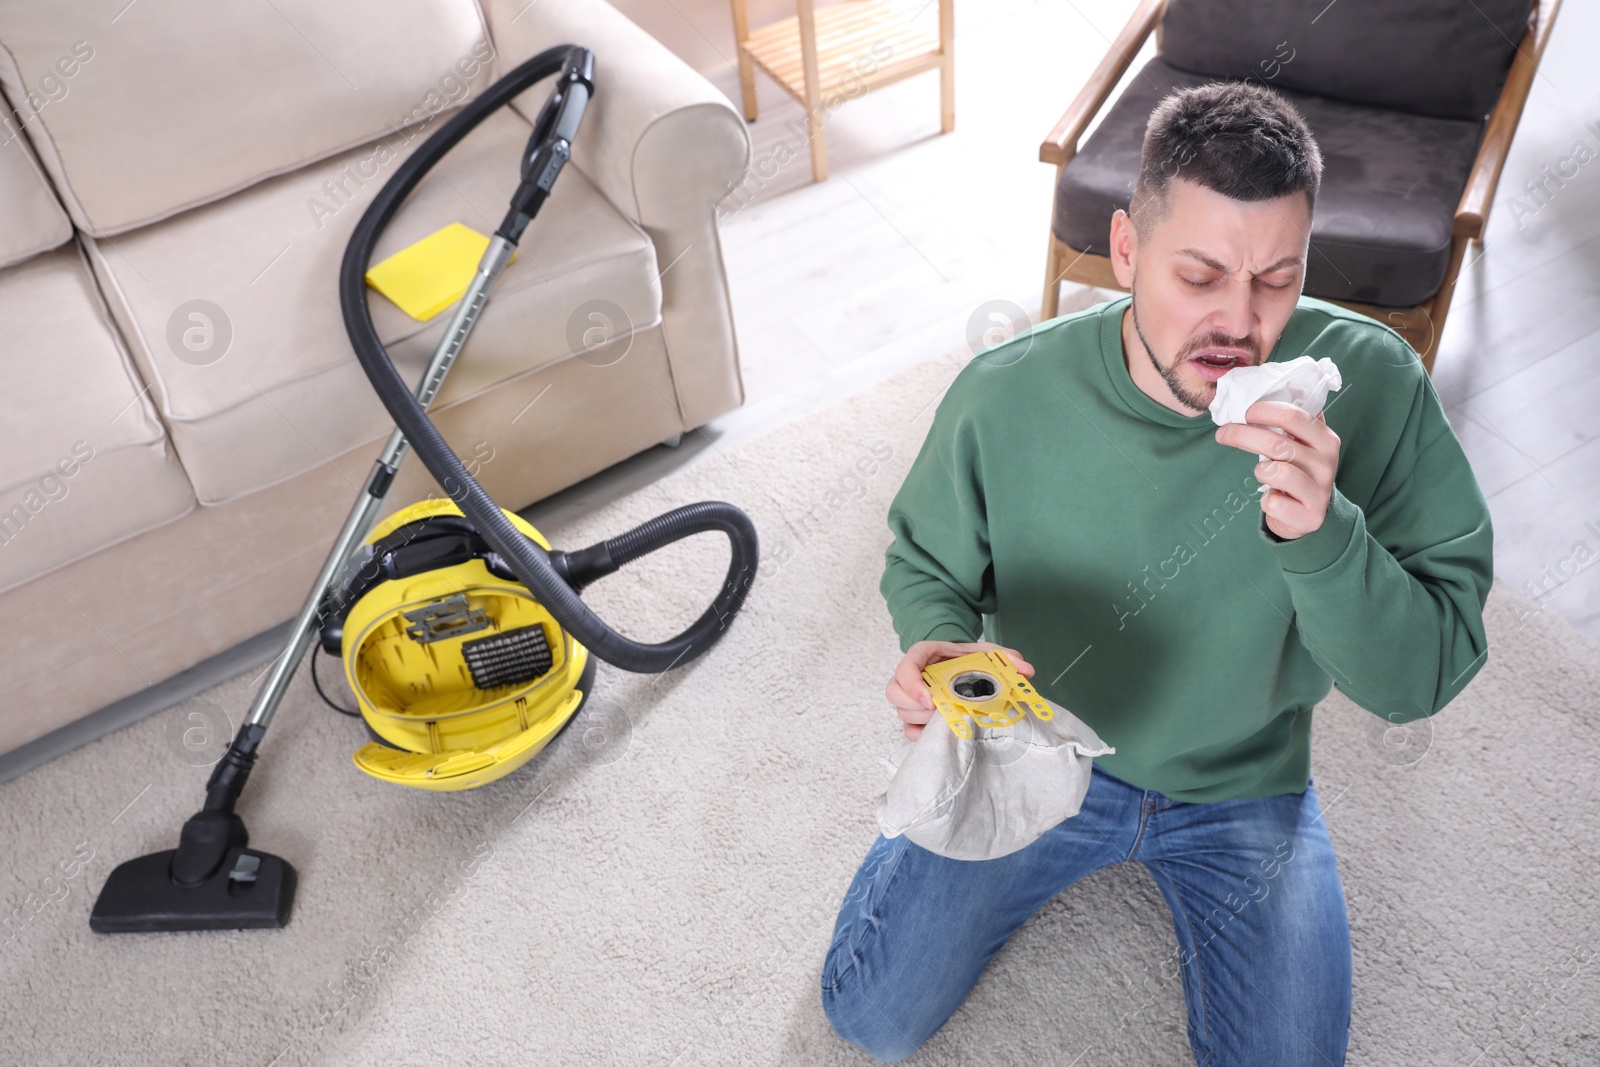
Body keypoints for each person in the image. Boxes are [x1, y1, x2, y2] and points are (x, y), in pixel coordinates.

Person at [819, 80, 1494, 1065]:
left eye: (1276, 278)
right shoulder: (1005, 393)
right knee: (867, 1016)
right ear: (1127, 248)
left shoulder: (1372, 382)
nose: (1239, 320)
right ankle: (924, 824)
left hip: (1247, 782)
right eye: (1201, 272)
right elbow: (926, 561)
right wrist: (935, 645)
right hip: (1039, 739)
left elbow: (1418, 679)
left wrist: (1324, 533)